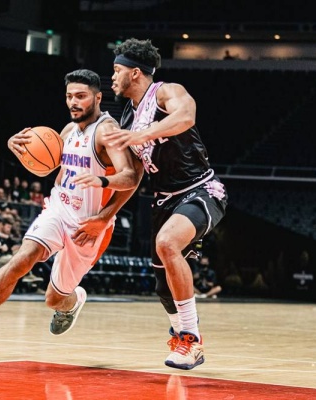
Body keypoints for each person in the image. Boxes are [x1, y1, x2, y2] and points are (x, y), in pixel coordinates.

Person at [0, 69, 142, 347]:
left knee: (54, 299)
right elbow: (49, 166)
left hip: (89, 225)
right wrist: (17, 148)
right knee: (22, 258)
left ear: (97, 97)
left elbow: (131, 177)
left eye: (81, 96)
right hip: (58, 209)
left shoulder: (107, 131)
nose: (73, 102)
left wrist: (104, 216)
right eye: (69, 96)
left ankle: (73, 301)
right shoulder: (68, 130)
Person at [106, 38, 228, 370]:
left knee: (167, 242)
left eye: (116, 70)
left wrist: (142, 135)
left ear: (135, 72)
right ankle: (181, 332)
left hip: (201, 189)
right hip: (163, 200)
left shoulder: (165, 92)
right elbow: (132, 178)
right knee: (163, 289)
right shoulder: (127, 118)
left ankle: (191, 339)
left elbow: (186, 116)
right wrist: (105, 211)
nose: (112, 77)